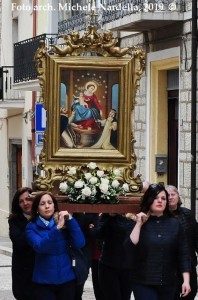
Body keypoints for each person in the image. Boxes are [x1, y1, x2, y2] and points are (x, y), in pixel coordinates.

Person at [126, 183, 191, 300]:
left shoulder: (175, 224)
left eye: (163, 198)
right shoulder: (138, 221)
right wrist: (139, 224)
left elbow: (183, 254)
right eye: (155, 198)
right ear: (149, 200)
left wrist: (186, 280)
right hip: (143, 281)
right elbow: (128, 247)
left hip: (168, 282)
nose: (160, 201)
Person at [25, 192, 85, 300]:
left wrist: (71, 220)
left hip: (67, 279)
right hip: (44, 282)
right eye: (42, 204)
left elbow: (79, 243)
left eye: (50, 202)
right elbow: (40, 247)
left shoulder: (63, 222)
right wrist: (57, 229)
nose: (47, 206)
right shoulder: (31, 227)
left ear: (54, 205)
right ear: (37, 208)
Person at [166, 185, 198, 300]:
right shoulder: (161, 216)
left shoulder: (187, 214)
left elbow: (196, 237)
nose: (170, 197)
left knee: (191, 291)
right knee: (172, 294)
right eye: (167, 195)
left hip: (189, 262)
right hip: (170, 266)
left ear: (178, 197)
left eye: (173, 194)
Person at [92, 213, 134, 300]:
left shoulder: (135, 216)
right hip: (108, 265)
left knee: (126, 297)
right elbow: (99, 234)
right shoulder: (107, 216)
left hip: (128, 266)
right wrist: (110, 217)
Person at [8, 187, 35, 300]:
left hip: (41, 272)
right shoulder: (15, 220)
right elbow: (19, 242)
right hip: (23, 273)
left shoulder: (44, 217)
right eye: (21, 201)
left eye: (28, 199)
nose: (25, 203)